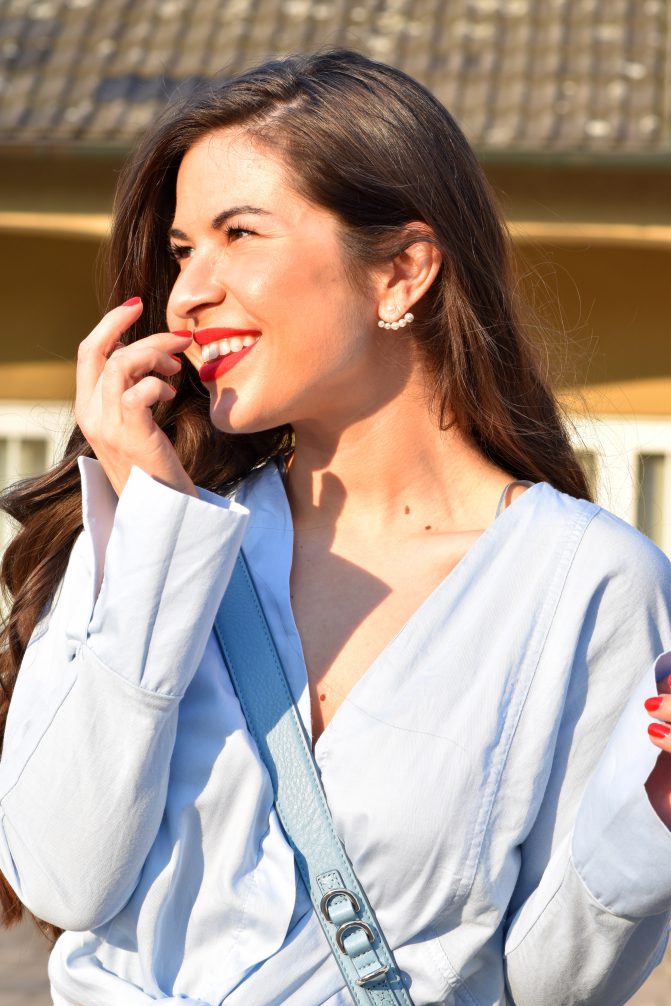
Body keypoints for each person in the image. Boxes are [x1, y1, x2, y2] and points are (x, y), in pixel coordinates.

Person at [1, 48, 670, 1006]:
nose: (188, 292)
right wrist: (152, 530)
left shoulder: (589, 585)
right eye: (185, 249)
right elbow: (61, 875)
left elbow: (551, 983)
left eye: (240, 233)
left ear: (401, 271)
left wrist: (647, 821)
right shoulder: (143, 537)